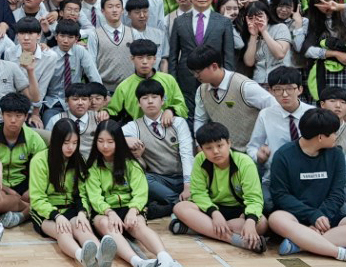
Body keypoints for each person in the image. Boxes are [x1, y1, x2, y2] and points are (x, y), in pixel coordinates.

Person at [267, 109, 346, 265]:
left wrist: (322, 216)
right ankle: (342, 253)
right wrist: (313, 215)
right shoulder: (283, 155)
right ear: (320, 137)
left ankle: (301, 244)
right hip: (296, 218)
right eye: (333, 133)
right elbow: (281, 196)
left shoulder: (336, 155)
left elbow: (337, 194)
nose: (336, 136)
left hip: (327, 218)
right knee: (276, 219)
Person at [84, 120, 184, 267]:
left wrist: (133, 210)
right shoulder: (93, 167)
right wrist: (109, 212)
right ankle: (139, 263)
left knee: (138, 225)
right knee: (105, 224)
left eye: (111, 141)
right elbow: (95, 197)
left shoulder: (131, 163)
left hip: (130, 207)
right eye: (100, 141)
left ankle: (166, 259)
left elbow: (140, 192)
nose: (105, 146)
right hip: (104, 211)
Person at [29, 119, 118, 267]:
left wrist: (83, 213)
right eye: (66, 143)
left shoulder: (78, 160)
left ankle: (100, 254)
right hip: (47, 212)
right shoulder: (40, 160)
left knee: (81, 225)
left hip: (70, 207)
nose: (71, 147)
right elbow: (37, 198)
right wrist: (57, 216)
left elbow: (81, 193)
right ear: (57, 141)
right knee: (63, 230)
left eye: (75, 143)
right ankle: (81, 256)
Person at [170, 122, 267, 252]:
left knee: (262, 224)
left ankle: (196, 228)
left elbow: (254, 198)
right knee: (180, 207)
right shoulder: (200, 159)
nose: (215, 151)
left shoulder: (245, 162)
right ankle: (235, 240)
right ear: (202, 149)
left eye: (220, 145)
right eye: (209, 148)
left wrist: (250, 221)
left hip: (239, 211)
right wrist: (214, 213)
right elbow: (198, 193)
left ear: (229, 143)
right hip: (211, 208)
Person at [121, 78, 194, 218]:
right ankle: (179, 204)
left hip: (183, 177)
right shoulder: (134, 126)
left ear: (162, 100)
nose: (150, 101)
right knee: (143, 178)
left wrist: (188, 185)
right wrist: (125, 139)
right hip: (159, 180)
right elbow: (109, 136)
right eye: (145, 98)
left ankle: (170, 206)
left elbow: (186, 154)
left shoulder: (178, 122)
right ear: (138, 103)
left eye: (154, 97)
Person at [168, 0, 236, 121]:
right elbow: (173, 56)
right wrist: (173, 82)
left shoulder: (223, 22)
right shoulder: (179, 21)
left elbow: (229, 56)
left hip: (215, 79)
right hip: (186, 78)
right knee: (189, 117)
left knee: (215, 116)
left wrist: (228, 83)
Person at [0, 92, 46, 228]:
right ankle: (28, 209)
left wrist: (32, 188)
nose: (13, 120)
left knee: (41, 193)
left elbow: (44, 170)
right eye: (8, 115)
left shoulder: (34, 139)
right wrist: (9, 191)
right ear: (2, 115)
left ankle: (21, 213)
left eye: (18, 116)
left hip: (24, 184)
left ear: (26, 117)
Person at [246, 66, 314, 210]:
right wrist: (258, 156)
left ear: (300, 90)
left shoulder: (312, 114)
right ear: (270, 91)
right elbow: (252, 147)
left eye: (290, 88)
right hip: (275, 177)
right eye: (278, 89)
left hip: (308, 177)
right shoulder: (266, 114)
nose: (284, 94)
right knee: (265, 205)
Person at [106, 39, 187, 124]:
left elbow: (182, 108)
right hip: (137, 133)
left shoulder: (169, 80)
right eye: (140, 58)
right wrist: (105, 112)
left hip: (168, 128)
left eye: (149, 58)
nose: (145, 62)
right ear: (132, 59)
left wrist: (171, 111)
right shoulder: (124, 86)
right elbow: (113, 111)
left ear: (155, 59)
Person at [42, 20, 104, 122]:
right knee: (49, 124)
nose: (65, 41)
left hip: (77, 102)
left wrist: (100, 98)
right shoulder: (50, 54)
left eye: (70, 37)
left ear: (76, 39)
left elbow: (93, 75)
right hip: (54, 103)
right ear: (56, 36)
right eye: (62, 36)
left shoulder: (80, 51)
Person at [317, 86, 346, 212]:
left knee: (344, 196)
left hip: (339, 186)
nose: (338, 106)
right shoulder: (311, 128)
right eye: (332, 101)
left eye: (343, 102)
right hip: (310, 181)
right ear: (322, 104)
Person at [241, 0, 292, 85]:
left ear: (267, 16)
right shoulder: (249, 34)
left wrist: (264, 31)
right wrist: (253, 36)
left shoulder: (280, 28)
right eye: (250, 18)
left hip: (281, 81)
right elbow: (249, 62)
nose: (255, 20)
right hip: (259, 81)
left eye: (259, 16)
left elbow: (280, 54)